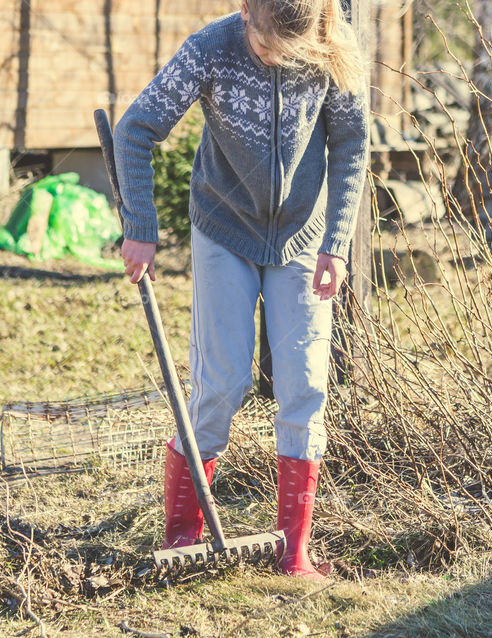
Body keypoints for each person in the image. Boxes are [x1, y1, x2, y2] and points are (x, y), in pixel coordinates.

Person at [114, 0, 368, 580]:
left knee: (304, 389)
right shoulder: (210, 49)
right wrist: (141, 228)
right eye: (262, 44)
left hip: (303, 237)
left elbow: (351, 146)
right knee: (221, 383)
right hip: (224, 229)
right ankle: (182, 539)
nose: (272, 56)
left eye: (286, 51)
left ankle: (293, 551)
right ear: (248, 10)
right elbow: (135, 131)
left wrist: (336, 243)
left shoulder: (331, 51)